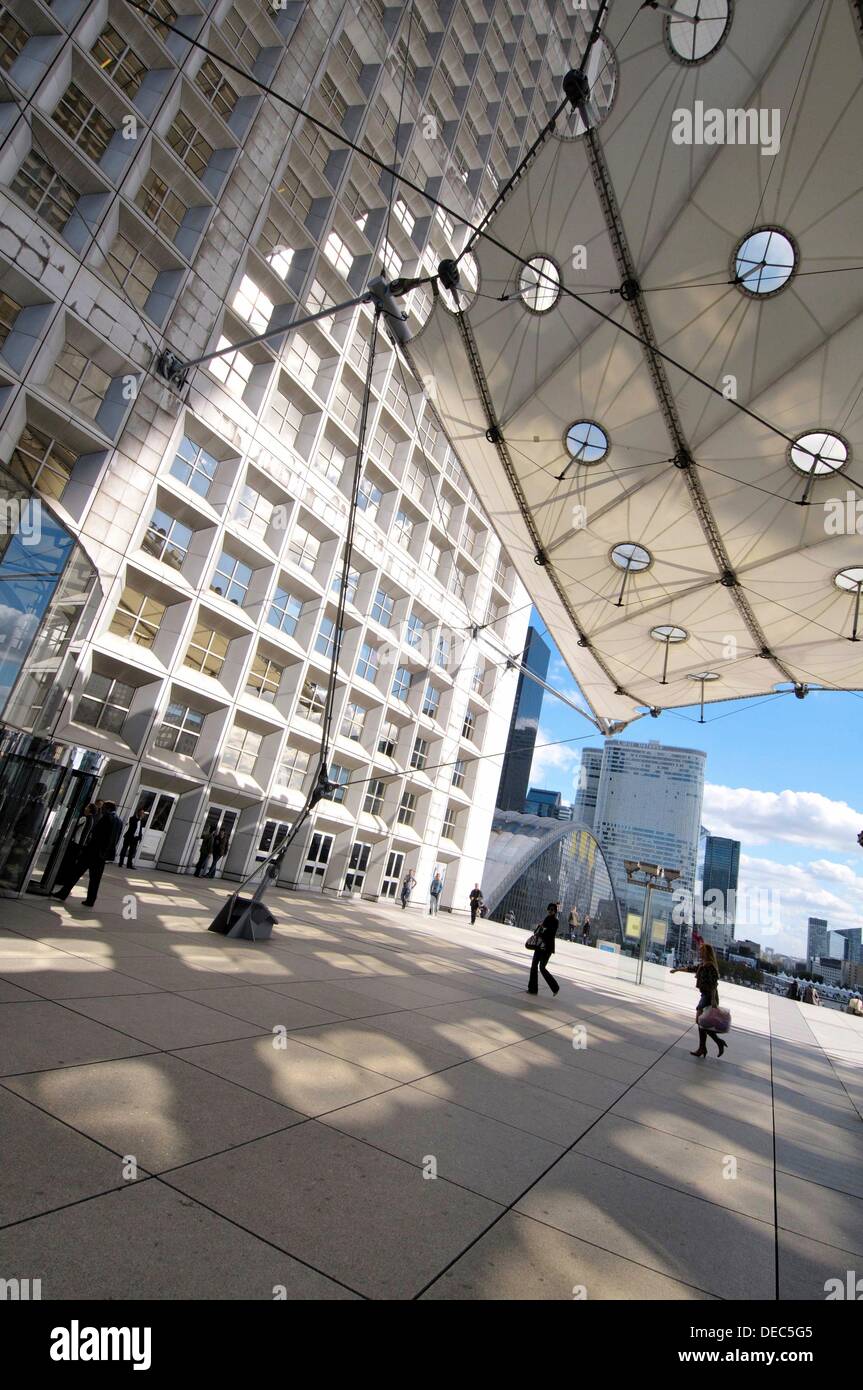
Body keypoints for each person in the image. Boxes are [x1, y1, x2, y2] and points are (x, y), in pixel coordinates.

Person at [53, 802, 123, 908]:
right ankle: (91, 900)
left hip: (92, 852)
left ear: (108, 808)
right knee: (95, 879)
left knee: (76, 873)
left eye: (103, 808)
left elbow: (96, 835)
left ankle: (63, 893)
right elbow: (115, 839)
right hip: (103, 855)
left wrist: (87, 847)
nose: (101, 810)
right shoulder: (119, 821)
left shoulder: (106, 818)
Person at [672, 941, 727, 1058]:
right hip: (704, 995)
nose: (699, 952)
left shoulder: (710, 966)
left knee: (699, 1020)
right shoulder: (703, 964)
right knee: (702, 1022)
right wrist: (677, 970)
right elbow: (691, 969)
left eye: (701, 951)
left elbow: (714, 984)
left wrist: (713, 1000)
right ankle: (711, 1044)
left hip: (709, 996)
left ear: (706, 952)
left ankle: (705, 1047)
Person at [527, 902, 560, 996]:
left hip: (547, 948)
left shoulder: (555, 921)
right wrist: (541, 927)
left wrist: (543, 928)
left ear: (555, 911)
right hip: (539, 946)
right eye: (549, 909)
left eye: (552, 910)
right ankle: (532, 989)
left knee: (542, 968)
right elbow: (538, 932)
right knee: (534, 966)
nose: (550, 911)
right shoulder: (546, 919)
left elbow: (550, 934)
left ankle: (555, 987)